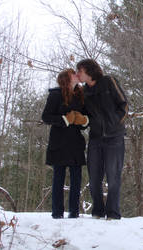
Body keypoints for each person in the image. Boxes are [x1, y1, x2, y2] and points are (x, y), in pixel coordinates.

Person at [76, 59, 128, 220]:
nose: (78, 74)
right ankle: (97, 212)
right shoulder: (83, 91)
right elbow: (84, 116)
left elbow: (124, 105)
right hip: (95, 139)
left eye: (80, 71)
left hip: (115, 138)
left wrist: (115, 124)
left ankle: (113, 213)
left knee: (113, 177)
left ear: (89, 71)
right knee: (94, 178)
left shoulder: (108, 81)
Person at [42, 68, 89, 219]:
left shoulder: (81, 96)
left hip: (76, 142)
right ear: (66, 78)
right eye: (72, 73)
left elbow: (86, 120)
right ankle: (57, 213)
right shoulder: (55, 94)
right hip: (59, 142)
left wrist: (83, 121)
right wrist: (64, 120)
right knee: (58, 178)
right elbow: (46, 117)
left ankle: (74, 213)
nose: (76, 74)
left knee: (76, 179)